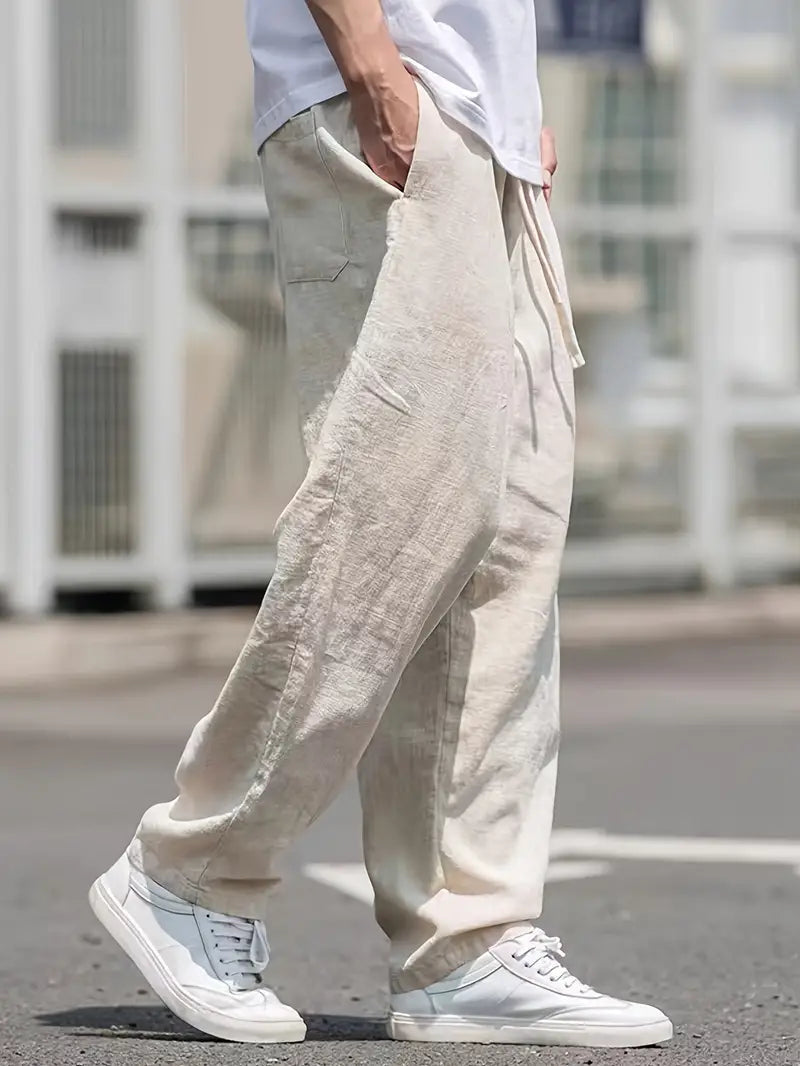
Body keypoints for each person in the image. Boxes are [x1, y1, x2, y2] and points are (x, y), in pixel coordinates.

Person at [88, 0, 672, 1048]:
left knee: (508, 536)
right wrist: (372, 71)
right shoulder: (380, 94)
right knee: (403, 505)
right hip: (385, 109)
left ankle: (464, 942)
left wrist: (511, 107)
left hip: (481, 127)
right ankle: (193, 867)